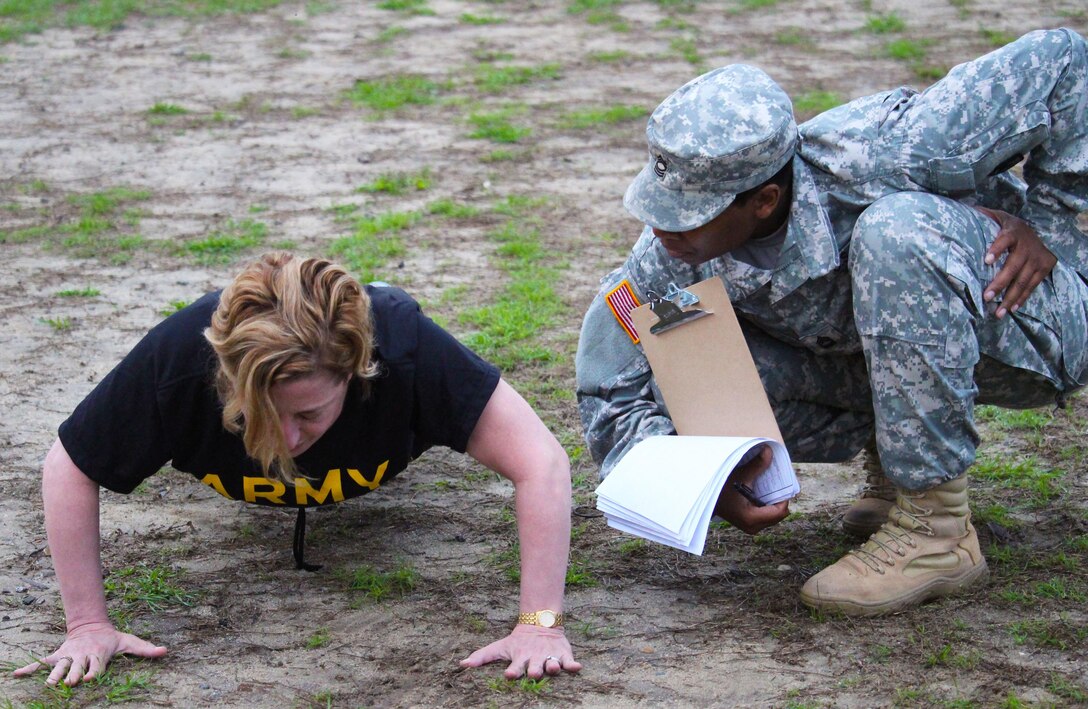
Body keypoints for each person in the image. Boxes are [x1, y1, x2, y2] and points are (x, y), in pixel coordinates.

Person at [577, 28, 1088, 616]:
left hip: (1038, 320)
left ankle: (936, 533)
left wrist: (1059, 233)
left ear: (763, 200)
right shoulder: (667, 255)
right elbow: (610, 382)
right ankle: (897, 473)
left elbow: (1064, 57)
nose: (664, 229)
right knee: (683, 358)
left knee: (895, 233)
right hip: (918, 352)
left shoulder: (899, 149)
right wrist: (698, 483)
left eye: (689, 216)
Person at [14, 252, 582, 687]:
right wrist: (86, 625)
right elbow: (68, 466)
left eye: (309, 413)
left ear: (359, 373)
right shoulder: (179, 363)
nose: (286, 439)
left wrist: (540, 623)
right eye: (260, 412)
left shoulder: (406, 353)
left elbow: (543, 462)